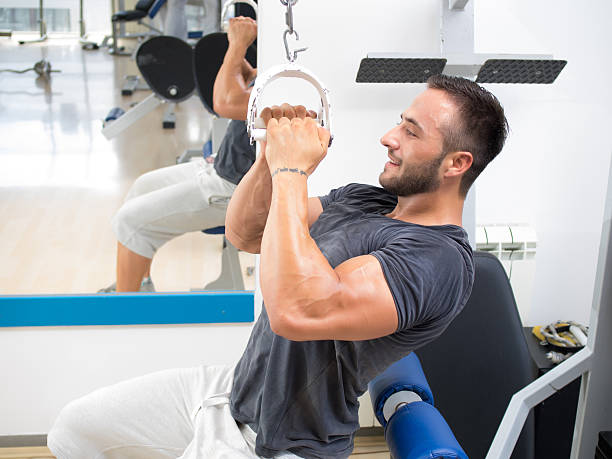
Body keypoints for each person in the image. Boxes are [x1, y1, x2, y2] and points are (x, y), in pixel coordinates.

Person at [49, 74, 508, 458]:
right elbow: (247, 232)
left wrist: (292, 173)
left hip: (283, 444)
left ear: (457, 163)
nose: (389, 137)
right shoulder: (365, 199)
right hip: (232, 391)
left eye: (412, 132)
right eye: (399, 123)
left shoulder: (438, 260)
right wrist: (271, 157)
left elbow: (299, 311)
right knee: (72, 431)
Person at [99, 16, 258, 293]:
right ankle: (139, 285)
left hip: (237, 188)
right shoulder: (285, 66)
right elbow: (247, 93)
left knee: (130, 224)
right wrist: (242, 63)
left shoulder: (295, 82)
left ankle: (125, 311)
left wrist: (238, 45)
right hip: (224, 167)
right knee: (142, 186)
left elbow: (226, 103)